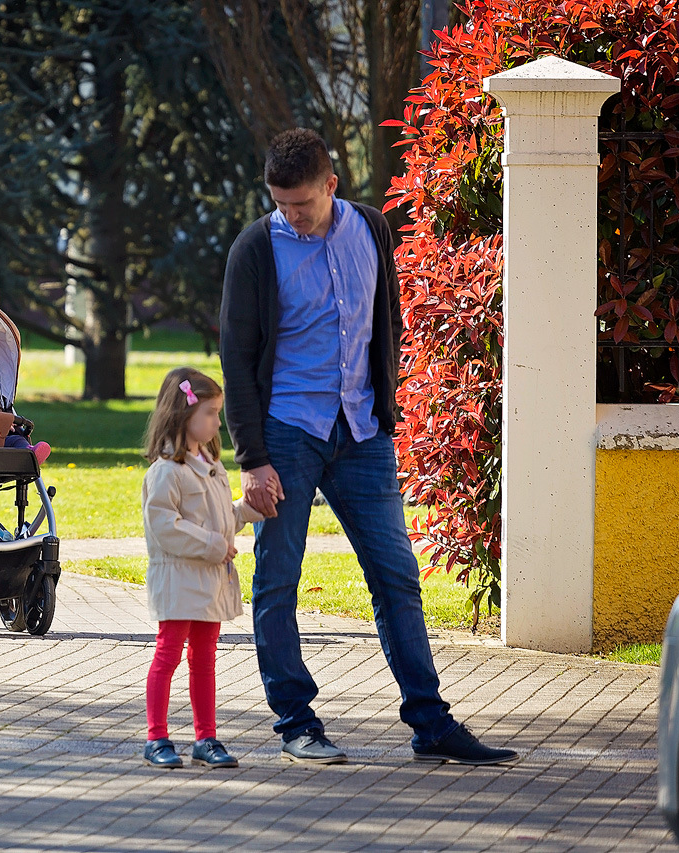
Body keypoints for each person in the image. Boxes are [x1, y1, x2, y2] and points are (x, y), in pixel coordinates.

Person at [219, 128, 517, 766]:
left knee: (396, 578)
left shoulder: (373, 230)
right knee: (278, 581)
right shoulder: (255, 248)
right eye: (280, 203)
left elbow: (386, 319)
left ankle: (432, 724)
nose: (290, 215)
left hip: (361, 432)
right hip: (288, 432)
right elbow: (236, 361)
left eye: (301, 203)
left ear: (332, 185)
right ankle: (297, 722)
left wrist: (385, 406)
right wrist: (254, 459)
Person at [140, 367, 266, 770]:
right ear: (183, 413)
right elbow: (165, 527)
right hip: (179, 580)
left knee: (205, 658)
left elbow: (218, 518)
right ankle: (157, 736)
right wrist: (214, 545)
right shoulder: (166, 470)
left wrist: (248, 511)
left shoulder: (210, 464)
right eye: (210, 413)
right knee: (168, 654)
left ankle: (205, 736)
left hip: (209, 581)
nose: (217, 422)